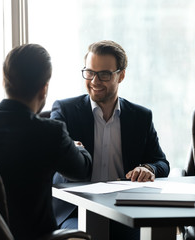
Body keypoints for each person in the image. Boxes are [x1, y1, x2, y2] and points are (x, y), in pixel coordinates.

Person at [0, 44, 92, 240]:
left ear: (4, 81)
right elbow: (82, 171)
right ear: (44, 89)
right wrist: (79, 148)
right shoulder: (50, 133)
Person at [51, 40, 170, 239]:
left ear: (121, 75)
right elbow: (52, 157)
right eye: (89, 72)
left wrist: (148, 169)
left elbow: (162, 164)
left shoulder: (140, 117)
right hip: (75, 209)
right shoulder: (65, 111)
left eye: (104, 74)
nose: (95, 81)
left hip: (124, 210)